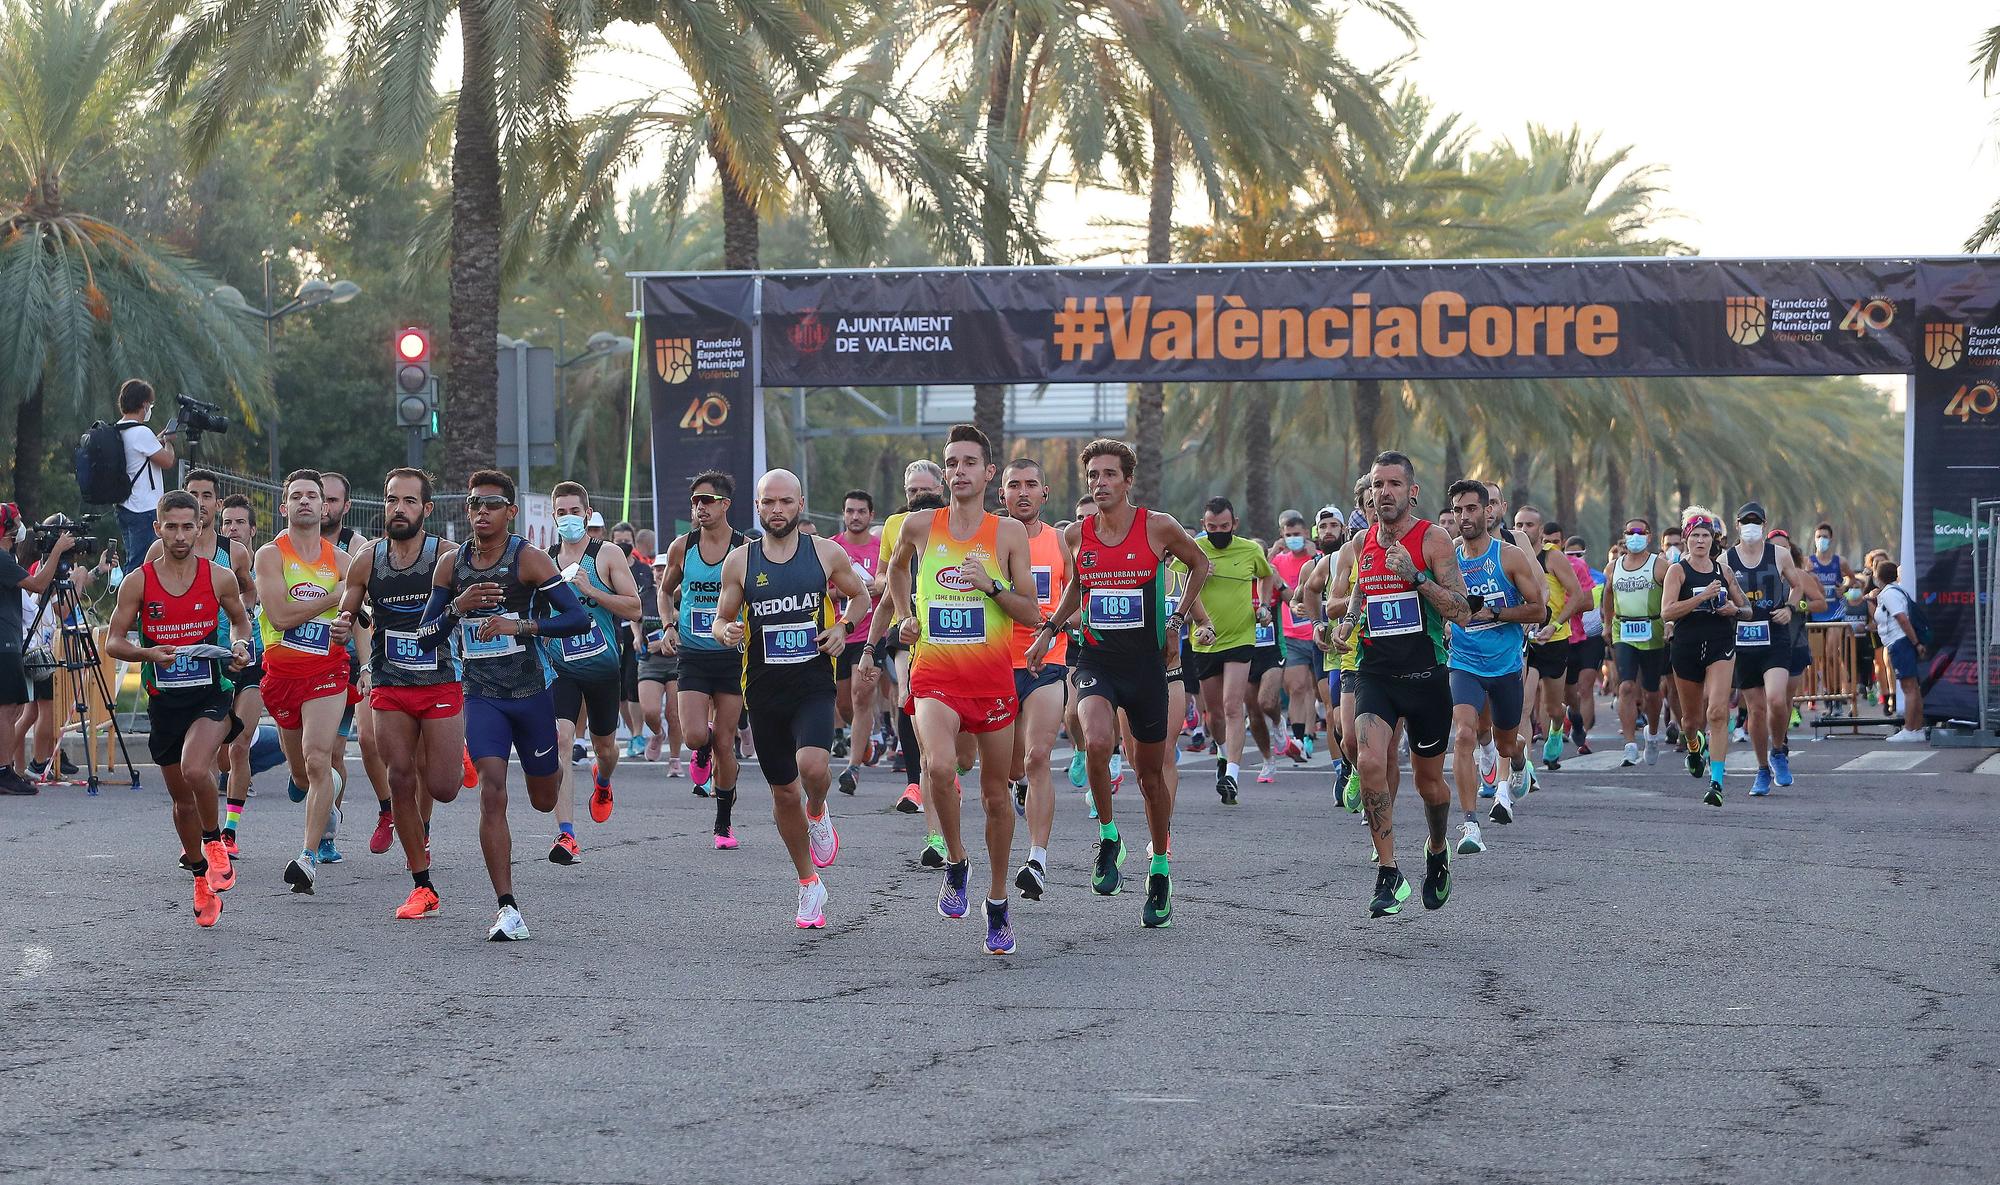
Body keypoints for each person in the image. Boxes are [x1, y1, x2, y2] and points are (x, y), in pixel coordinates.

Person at [1031, 439, 1213, 926]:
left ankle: (1159, 869)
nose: (1100, 483)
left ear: (1128, 481)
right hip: (1096, 659)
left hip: (1147, 667)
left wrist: (1177, 621)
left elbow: (1200, 564)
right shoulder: (1077, 534)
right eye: (1093, 475)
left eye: (1110, 474)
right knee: (1094, 739)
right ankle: (1109, 836)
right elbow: (1078, 584)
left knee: (1151, 776)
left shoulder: (1157, 527)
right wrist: (1050, 628)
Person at [882, 425, 1044, 955]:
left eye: (969, 462)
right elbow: (896, 571)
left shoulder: (1008, 535)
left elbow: (1030, 610)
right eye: (951, 462)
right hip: (935, 673)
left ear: (988, 473)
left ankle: (997, 900)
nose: (959, 471)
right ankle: (955, 861)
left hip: (993, 680)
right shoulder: (920, 525)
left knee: (997, 797)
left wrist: (990, 585)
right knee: (941, 767)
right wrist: (906, 618)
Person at [416, 470, 594, 940]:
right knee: (491, 789)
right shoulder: (450, 567)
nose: (481, 512)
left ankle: (554, 772)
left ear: (510, 512)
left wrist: (522, 628)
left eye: (492, 504)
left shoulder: (528, 560)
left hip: (532, 694)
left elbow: (577, 619)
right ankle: (507, 906)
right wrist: (458, 606)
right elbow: (424, 635)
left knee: (542, 799)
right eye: (475, 503)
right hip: (482, 695)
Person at [711, 470, 870, 928]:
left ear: (801, 504)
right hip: (763, 690)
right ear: (757, 507)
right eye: (768, 502)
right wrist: (728, 632)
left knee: (814, 767)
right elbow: (721, 620)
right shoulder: (740, 561)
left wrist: (842, 628)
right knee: (783, 793)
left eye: (785, 501)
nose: (776, 509)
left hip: (813, 682)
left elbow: (860, 597)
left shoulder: (825, 553)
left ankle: (818, 811)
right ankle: (808, 884)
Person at [1330, 452, 1472, 918]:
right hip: (1376, 674)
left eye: (1393, 484)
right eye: (1376, 485)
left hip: (1427, 675)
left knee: (1430, 784)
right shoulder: (1360, 540)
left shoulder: (1433, 539)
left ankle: (1436, 849)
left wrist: (1416, 578)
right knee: (1369, 760)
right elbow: (1360, 591)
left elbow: (1462, 609)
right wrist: (1347, 623)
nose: (1383, 492)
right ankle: (1389, 871)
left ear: (1411, 492)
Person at [103, 491, 254, 926]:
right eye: (172, 526)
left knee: (195, 770)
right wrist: (149, 656)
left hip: (210, 693)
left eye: (189, 526)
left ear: (201, 527)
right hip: (164, 701)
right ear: (158, 529)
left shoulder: (219, 576)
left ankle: (215, 841)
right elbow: (114, 641)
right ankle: (201, 876)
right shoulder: (139, 582)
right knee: (181, 801)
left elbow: (241, 619)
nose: (181, 535)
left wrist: (239, 646)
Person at [337, 469, 467, 919]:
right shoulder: (368, 560)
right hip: (391, 685)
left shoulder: (446, 557)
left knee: (445, 787)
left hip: (440, 683)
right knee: (399, 779)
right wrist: (341, 623)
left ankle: (455, 748)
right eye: (392, 500)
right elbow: (348, 610)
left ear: (426, 509)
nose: (399, 509)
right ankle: (422, 884)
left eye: (409, 502)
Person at [253, 472, 359, 893]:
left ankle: (307, 856)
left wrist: (353, 640)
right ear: (284, 507)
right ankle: (325, 791)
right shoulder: (270, 555)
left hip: (327, 671)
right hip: (281, 673)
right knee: (301, 775)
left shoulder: (344, 562)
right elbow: (278, 616)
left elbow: (357, 619)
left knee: (318, 758)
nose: (304, 502)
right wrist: (335, 597)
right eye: (295, 496)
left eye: (312, 496)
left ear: (325, 507)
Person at [540, 481, 642, 862]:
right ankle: (566, 834)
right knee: (561, 739)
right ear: (553, 517)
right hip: (560, 667)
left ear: (588, 513)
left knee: (605, 747)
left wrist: (592, 591)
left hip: (602, 666)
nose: (568, 518)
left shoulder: (607, 554)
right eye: (561, 512)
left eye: (574, 511)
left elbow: (634, 609)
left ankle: (602, 781)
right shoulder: (544, 559)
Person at [1445, 480, 1543, 851]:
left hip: (1504, 664)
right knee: (1464, 735)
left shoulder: (1509, 556)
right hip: (1464, 660)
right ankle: (1470, 825)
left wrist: (1497, 611)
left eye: (1472, 508)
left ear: (1488, 511)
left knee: (1505, 744)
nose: (1465, 517)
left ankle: (1520, 759)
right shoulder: (1450, 557)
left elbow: (1538, 609)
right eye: (1458, 510)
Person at [655, 471, 747, 846]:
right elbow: (664, 592)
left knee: (726, 742)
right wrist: (667, 626)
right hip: (693, 653)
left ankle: (723, 822)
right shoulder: (683, 546)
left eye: (706, 500)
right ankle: (702, 748)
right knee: (695, 736)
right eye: (695, 502)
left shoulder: (744, 548)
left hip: (731, 655)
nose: (699, 508)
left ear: (725, 504)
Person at [998, 459, 1070, 901]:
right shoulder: (988, 541)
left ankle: (1037, 860)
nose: (1022, 492)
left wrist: (1053, 629)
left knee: (1039, 756)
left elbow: (1080, 598)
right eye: (1013, 486)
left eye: (1031, 484)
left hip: (1048, 663)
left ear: (1045, 492)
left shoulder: (1062, 543)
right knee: (1009, 767)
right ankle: (1018, 789)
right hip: (996, 665)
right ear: (1001, 495)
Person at [1725, 502, 1819, 796]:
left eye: (1756, 520)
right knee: (1755, 709)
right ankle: (1763, 768)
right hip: (1744, 638)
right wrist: (1727, 608)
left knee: (1777, 700)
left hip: (1775, 634)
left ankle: (1779, 751)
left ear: (1764, 525)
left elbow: (1797, 585)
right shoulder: (1726, 559)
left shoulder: (1779, 554)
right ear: (1737, 525)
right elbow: (1719, 591)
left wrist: (1790, 608)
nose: (1751, 525)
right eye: (1745, 521)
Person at [1186, 496, 1274, 804]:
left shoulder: (1250, 549)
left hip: (1240, 637)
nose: (1218, 532)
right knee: (1214, 715)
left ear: (1234, 524)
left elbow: (1267, 575)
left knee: (1233, 705)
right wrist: (1195, 573)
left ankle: (1233, 775)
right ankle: (1223, 754)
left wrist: (1263, 605)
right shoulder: (1194, 550)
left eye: (1224, 526)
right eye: (1212, 527)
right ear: (1203, 526)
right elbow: (1170, 579)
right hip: (1204, 639)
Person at [1662, 508, 1748, 806]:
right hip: (1686, 646)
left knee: (1717, 712)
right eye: (1695, 535)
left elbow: (1747, 609)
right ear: (1686, 538)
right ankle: (1694, 748)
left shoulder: (1723, 571)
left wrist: (1733, 611)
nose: (1700, 541)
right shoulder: (1677, 571)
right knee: (1691, 721)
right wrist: (1701, 597)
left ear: (1714, 539)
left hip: (1719, 643)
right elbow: (1667, 611)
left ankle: (1717, 782)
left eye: (1706, 535)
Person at [0, 505, 80, 795]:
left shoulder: (6, 558)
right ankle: (5, 770)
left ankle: (9, 769)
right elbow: (38, 584)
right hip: (8, 643)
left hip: (11, 640)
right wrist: (58, 551)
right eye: (18, 522)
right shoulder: (2, 558)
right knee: (9, 710)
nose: (23, 527)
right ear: (7, 529)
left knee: (15, 710)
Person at [1511, 505, 1584, 771]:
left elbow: (1576, 595)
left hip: (1554, 639)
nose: (1522, 530)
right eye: (1518, 525)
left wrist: (1554, 625)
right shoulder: (1511, 555)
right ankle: (1527, 767)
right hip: (1526, 643)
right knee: (1524, 706)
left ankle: (1556, 726)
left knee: (1553, 706)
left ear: (1540, 530)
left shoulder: (1552, 558)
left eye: (1529, 525)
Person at [217, 496, 263, 852]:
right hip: (214, 659)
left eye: (239, 523)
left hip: (254, 659)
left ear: (251, 529)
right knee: (219, 751)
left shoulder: (267, 566)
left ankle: (229, 832)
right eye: (227, 522)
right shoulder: (209, 562)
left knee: (239, 747)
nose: (232, 528)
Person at [1604, 517, 1668, 768]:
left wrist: (1669, 622)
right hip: (1624, 630)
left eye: (1640, 531)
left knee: (1652, 691)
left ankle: (1651, 735)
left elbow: (1671, 593)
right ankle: (1629, 744)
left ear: (1650, 536)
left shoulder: (1660, 566)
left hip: (1652, 630)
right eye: (1630, 532)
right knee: (1626, 687)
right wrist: (1608, 624)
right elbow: (1608, 596)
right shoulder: (1613, 567)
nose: (1635, 536)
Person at [831, 490, 883, 794]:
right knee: (843, 703)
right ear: (843, 514)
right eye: (850, 511)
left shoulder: (880, 550)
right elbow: (823, 589)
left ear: (870, 515)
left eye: (861, 511)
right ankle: (863, 740)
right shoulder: (833, 548)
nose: (855, 516)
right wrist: (852, 591)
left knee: (862, 695)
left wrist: (878, 587)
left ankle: (853, 768)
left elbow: (889, 582)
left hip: (870, 635)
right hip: (840, 632)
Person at [111, 380, 179, 575]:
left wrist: (157, 440)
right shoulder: (141, 432)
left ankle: (133, 600)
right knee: (142, 563)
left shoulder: (119, 429)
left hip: (126, 506)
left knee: (134, 557)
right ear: (143, 404)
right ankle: (131, 603)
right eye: (150, 403)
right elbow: (167, 461)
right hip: (145, 508)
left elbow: (139, 453)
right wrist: (168, 442)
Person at [1271, 510, 1322, 764]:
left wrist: (1316, 554)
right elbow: (1264, 573)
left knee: (1318, 690)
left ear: (1308, 534)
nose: (1293, 539)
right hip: (1291, 635)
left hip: (1317, 632)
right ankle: (1300, 739)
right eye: (1288, 535)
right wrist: (1272, 551)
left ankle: (1312, 733)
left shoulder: (1317, 559)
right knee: (1297, 687)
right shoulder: (1279, 560)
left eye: (1297, 535)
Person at [1874, 561, 1928, 742]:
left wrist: (1915, 643)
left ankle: (1910, 729)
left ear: (1878, 576)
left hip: (1900, 642)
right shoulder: (1896, 591)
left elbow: (1902, 619)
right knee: (1913, 687)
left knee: (1908, 687)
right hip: (1900, 642)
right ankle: (1917, 728)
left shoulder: (1889, 594)